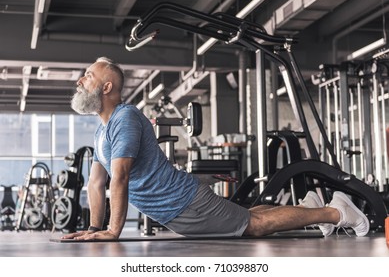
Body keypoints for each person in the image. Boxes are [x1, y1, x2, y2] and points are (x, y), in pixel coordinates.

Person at [62, 57, 369, 241]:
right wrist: (93, 228)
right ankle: (308, 208)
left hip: (183, 204)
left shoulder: (125, 118)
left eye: (88, 75)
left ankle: (335, 212)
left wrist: (113, 231)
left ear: (106, 87)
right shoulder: (103, 129)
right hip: (179, 207)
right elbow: (96, 183)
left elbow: (120, 178)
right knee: (247, 215)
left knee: (255, 226)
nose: (80, 80)